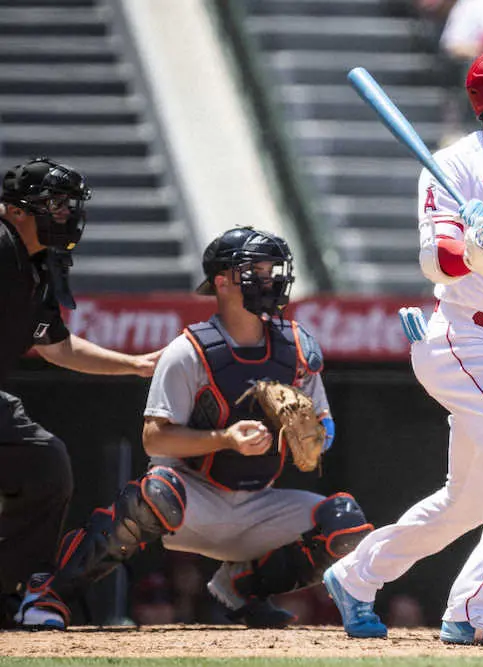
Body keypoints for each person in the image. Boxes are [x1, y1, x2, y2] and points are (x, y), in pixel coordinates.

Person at [322, 43, 483, 647]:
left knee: (465, 503)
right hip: (464, 339)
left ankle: (356, 576)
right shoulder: (453, 166)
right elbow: (436, 260)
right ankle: (473, 609)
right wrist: (472, 249)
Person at [16, 227, 373, 630]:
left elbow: (325, 423)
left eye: (271, 268)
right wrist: (225, 439)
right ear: (221, 281)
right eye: (255, 269)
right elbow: (155, 437)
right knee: (157, 490)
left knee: (346, 522)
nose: (269, 277)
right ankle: (50, 594)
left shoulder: (297, 345)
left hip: (260, 505)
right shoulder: (188, 351)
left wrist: (315, 438)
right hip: (192, 502)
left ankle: (242, 586)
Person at [0, 158, 161, 627]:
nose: (66, 214)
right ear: (14, 210)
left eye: (70, 204)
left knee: (46, 462)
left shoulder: (35, 265)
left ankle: (18, 587)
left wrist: (136, 365)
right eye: (54, 203)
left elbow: (56, 348)